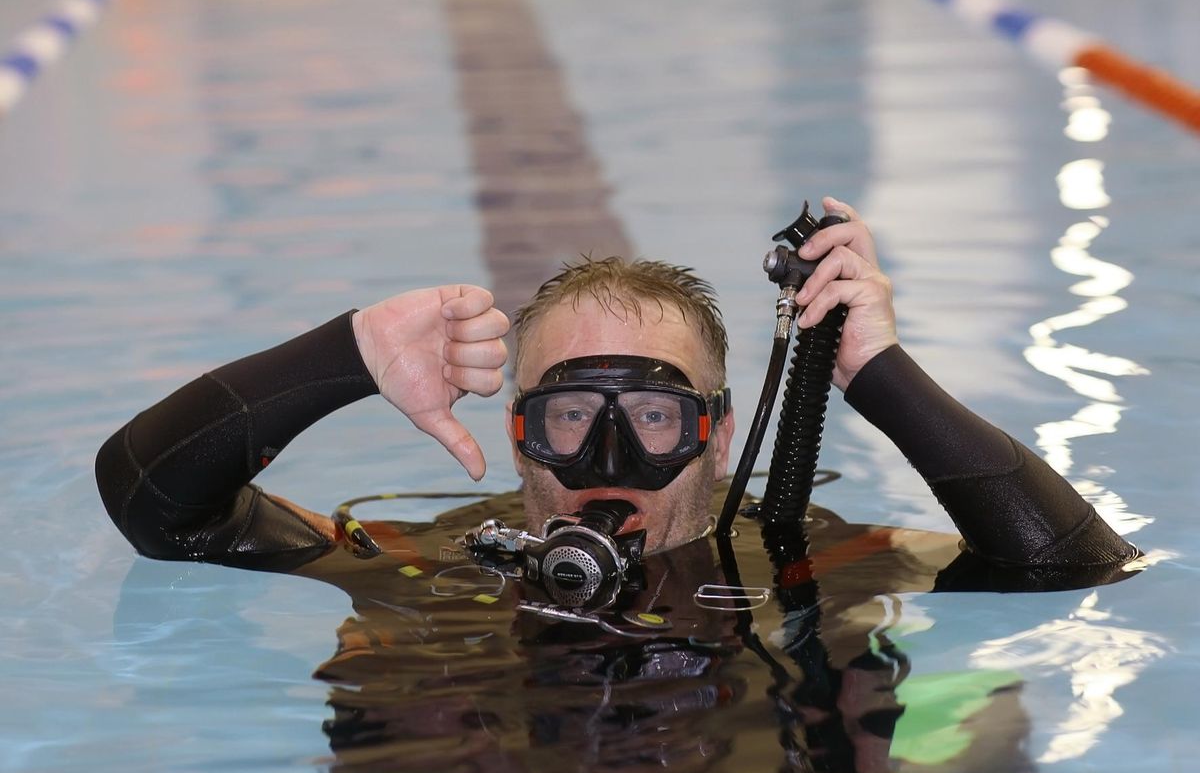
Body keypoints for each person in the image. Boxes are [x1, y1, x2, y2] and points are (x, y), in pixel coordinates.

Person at [96, 197, 1136, 573]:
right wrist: (341, 357)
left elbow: (1075, 565)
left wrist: (878, 373)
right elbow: (157, 509)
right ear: (516, 434)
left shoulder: (811, 565)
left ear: (718, 435)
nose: (608, 460)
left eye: (651, 414)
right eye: (566, 414)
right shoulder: (439, 570)